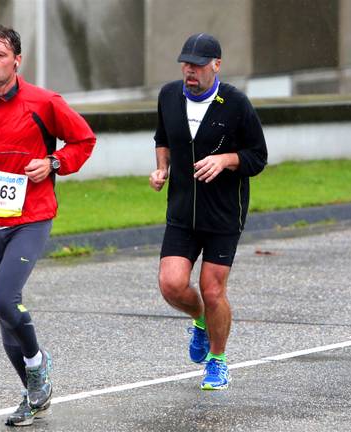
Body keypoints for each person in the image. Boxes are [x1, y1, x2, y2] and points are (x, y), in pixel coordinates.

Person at [0, 25, 95, 426]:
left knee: (3, 298)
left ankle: (39, 365)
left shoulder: (43, 103)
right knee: (5, 315)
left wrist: (53, 163)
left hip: (32, 217)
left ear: (16, 61)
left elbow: (83, 140)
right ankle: (33, 396)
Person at [150, 33, 267, 390]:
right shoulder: (169, 95)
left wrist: (226, 159)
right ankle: (199, 318)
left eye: (198, 65)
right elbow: (162, 138)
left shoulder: (235, 103)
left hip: (223, 214)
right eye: (186, 63)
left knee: (213, 289)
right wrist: (161, 168)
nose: (190, 71)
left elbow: (257, 157)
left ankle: (217, 360)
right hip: (183, 211)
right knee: (171, 285)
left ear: (216, 65)